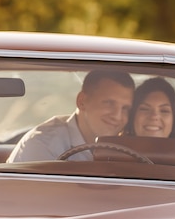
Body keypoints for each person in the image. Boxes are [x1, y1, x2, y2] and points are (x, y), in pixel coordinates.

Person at [7, 69, 135, 162]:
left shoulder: (129, 150)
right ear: (82, 101)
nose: (117, 116)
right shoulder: (42, 144)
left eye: (125, 108)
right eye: (109, 103)